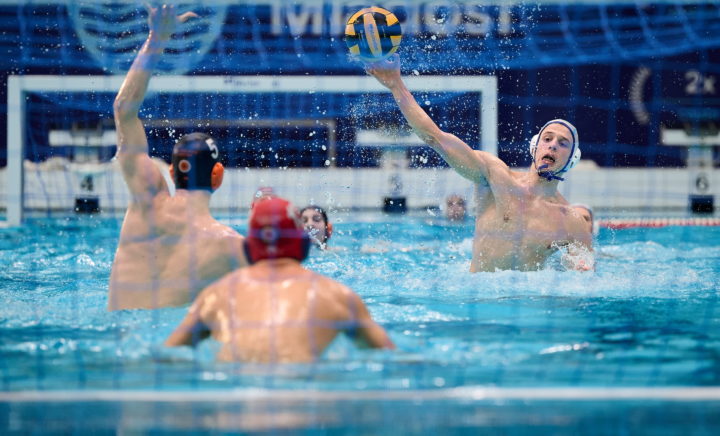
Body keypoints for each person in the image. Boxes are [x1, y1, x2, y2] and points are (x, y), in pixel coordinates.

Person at [365, 54, 593, 272]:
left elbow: (583, 276)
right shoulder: (495, 176)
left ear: (571, 160)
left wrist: (578, 266)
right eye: (547, 139)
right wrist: (396, 86)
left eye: (563, 143)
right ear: (535, 147)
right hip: (478, 294)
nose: (552, 146)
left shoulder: (572, 222)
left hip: (526, 298)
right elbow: (435, 137)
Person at [108, 5, 247, 310]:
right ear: (217, 175)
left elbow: (123, 109)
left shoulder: (146, 200)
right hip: (171, 338)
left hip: (116, 332)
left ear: (171, 172)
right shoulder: (230, 245)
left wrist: (157, 39)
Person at [165, 196, 395, 362]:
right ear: (302, 243)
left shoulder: (216, 295)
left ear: (249, 246)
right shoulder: (337, 296)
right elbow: (390, 356)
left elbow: (166, 356)